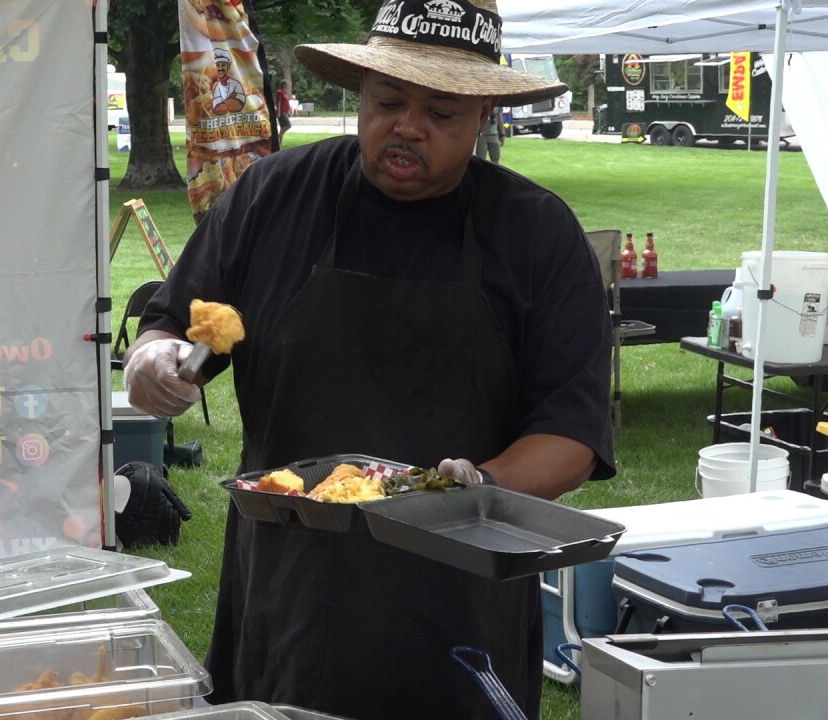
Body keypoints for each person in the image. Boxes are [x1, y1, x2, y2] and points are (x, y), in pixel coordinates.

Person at [122, 0, 614, 718]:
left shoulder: (537, 234)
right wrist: (154, 360)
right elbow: (173, 329)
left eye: (442, 113)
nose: (407, 126)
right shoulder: (273, 196)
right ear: (361, 96)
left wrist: (475, 485)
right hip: (289, 584)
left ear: (484, 116)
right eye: (388, 101)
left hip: (459, 599)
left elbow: (571, 434)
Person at [211, 47, 246, 115]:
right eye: (218, 65)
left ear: (228, 66)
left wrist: (235, 98)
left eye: (223, 65)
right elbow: (216, 100)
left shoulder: (235, 83)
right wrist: (226, 102)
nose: (220, 68)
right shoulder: (217, 86)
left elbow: (242, 97)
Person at [276, 79, 293, 146]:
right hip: (282, 112)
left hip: (285, 111)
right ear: (283, 84)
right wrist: (279, 112)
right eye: (286, 84)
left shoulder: (284, 92)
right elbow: (279, 102)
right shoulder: (280, 92)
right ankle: (278, 136)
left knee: (283, 126)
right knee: (288, 125)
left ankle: (280, 142)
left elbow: (285, 102)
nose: (287, 86)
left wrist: (288, 112)